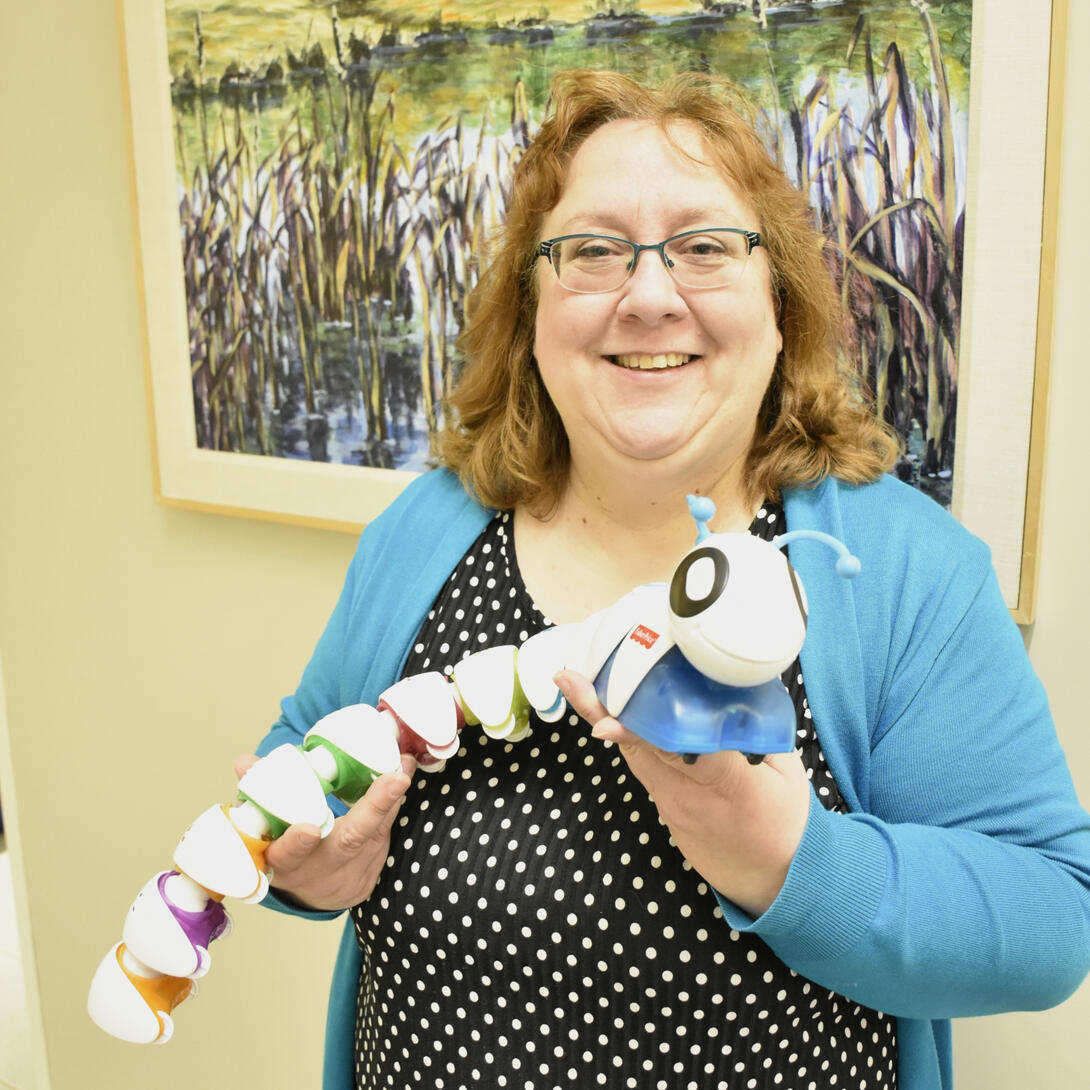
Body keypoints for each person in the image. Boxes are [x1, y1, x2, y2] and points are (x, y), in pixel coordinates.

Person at [245, 70, 1090, 1090]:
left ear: (779, 307)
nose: (647, 296)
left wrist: (791, 862)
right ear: (533, 314)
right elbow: (298, 751)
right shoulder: (424, 534)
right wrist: (305, 865)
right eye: (592, 250)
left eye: (703, 246)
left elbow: (1052, 918)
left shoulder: (897, 570)